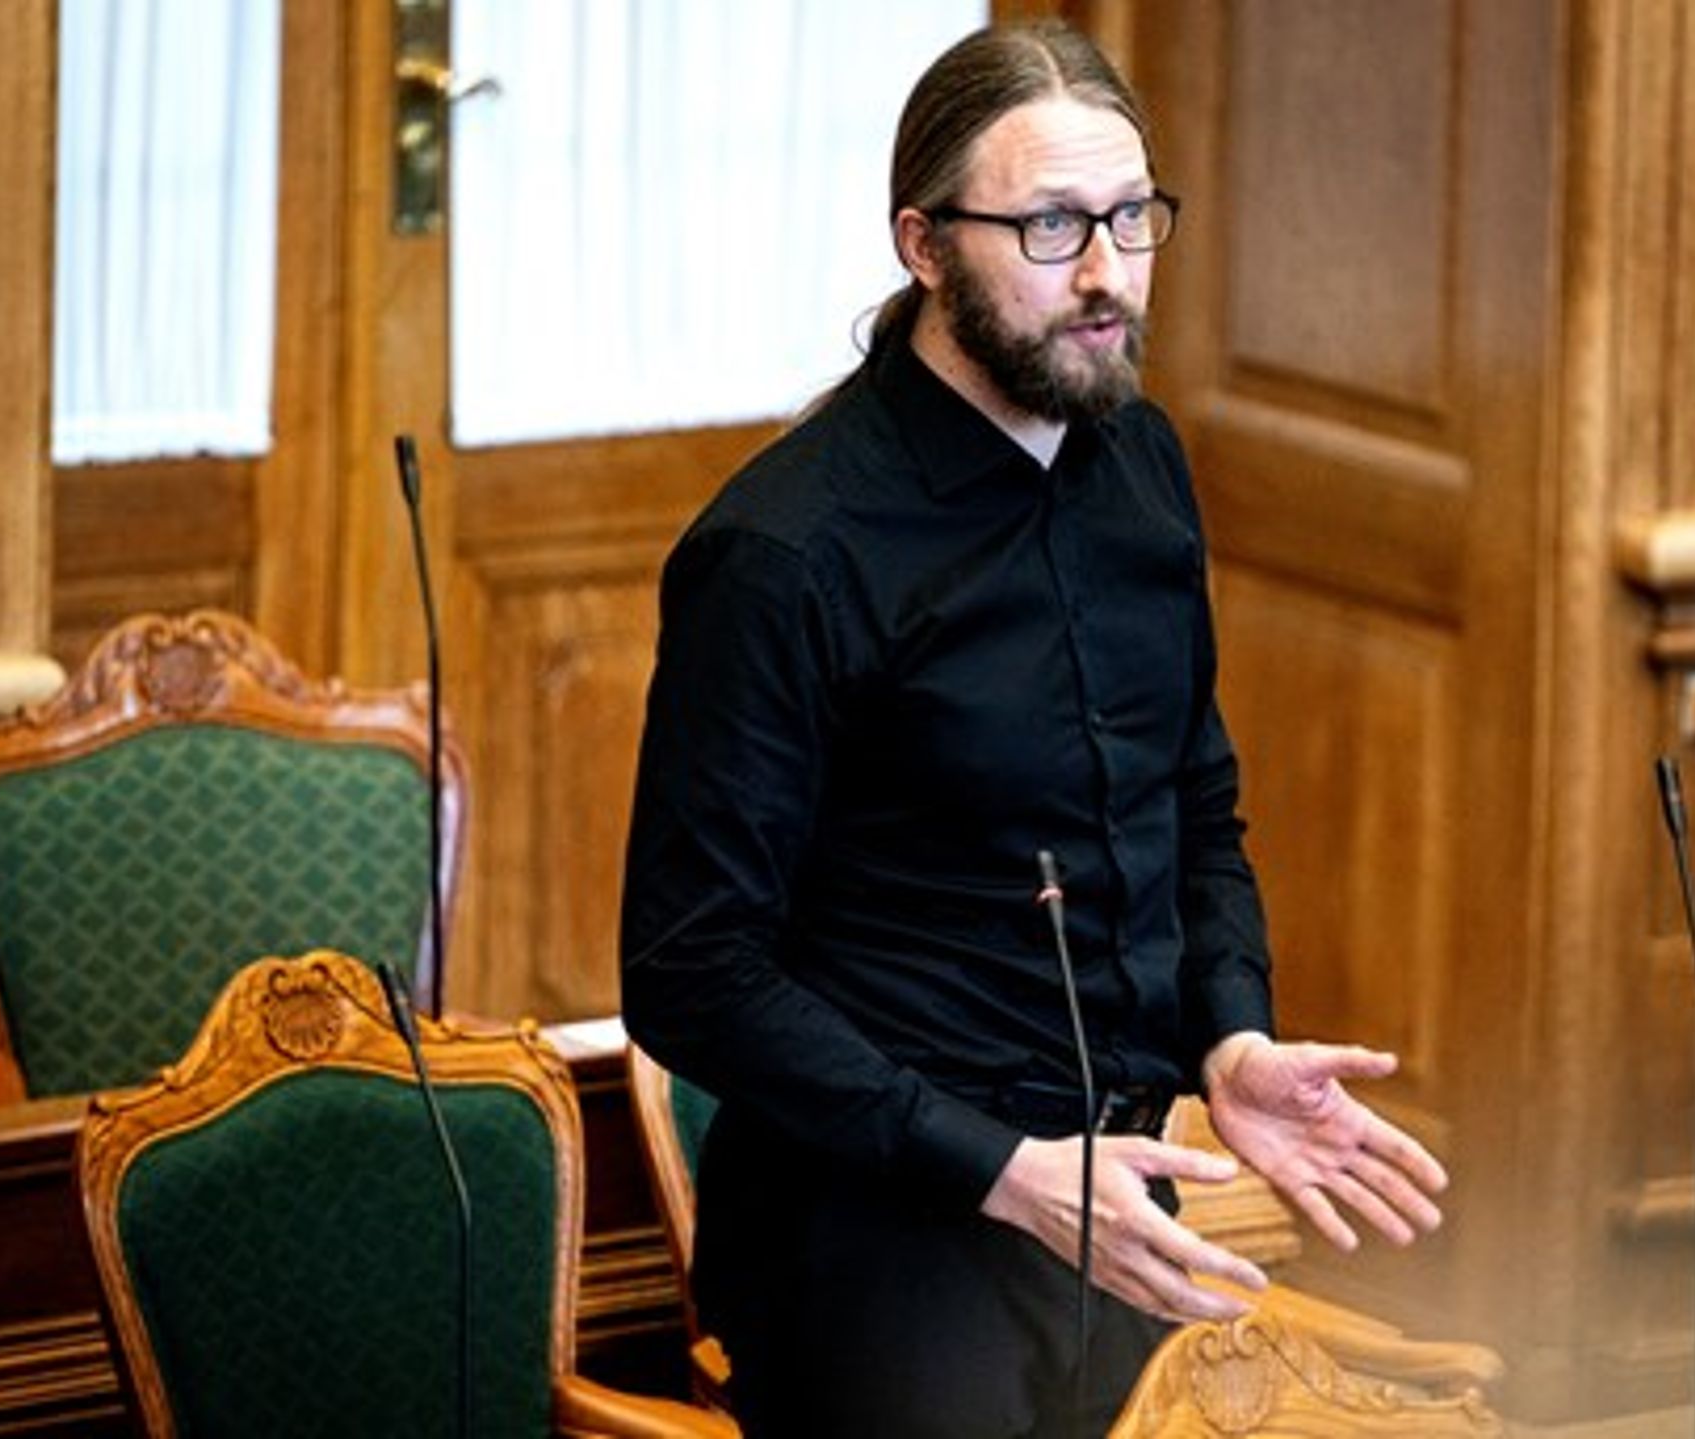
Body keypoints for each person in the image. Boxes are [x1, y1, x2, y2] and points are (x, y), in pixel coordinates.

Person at [619, 21, 1448, 1437]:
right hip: (875, 1238)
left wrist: (1229, 1043)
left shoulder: (1143, 464)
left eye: (1132, 219)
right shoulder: (783, 553)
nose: (1107, 273)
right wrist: (1003, 1169)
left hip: (1118, 1195)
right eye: (1052, 226)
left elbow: (1194, 810)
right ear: (924, 246)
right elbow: (690, 973)